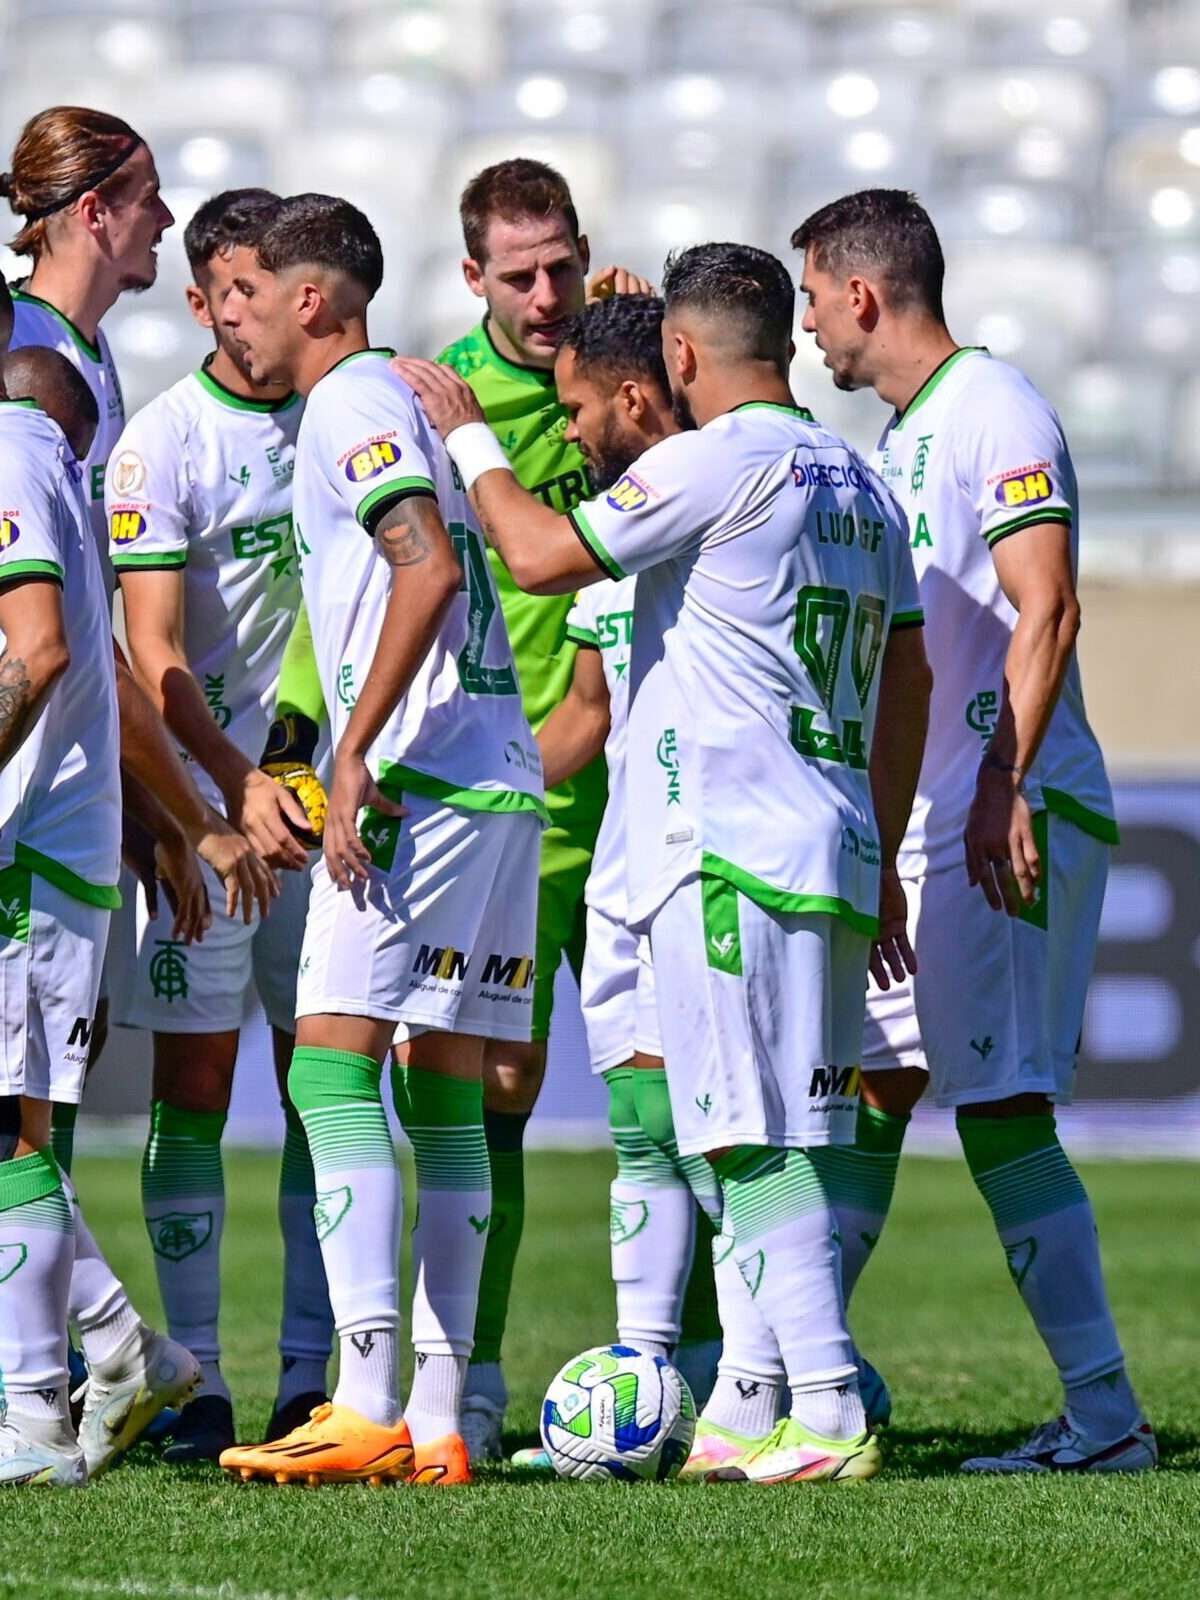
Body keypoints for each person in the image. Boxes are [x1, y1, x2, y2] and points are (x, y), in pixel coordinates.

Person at [395, 238, 931, 1485]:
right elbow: (910, 673)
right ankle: (749, 1408)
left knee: (748, 1142)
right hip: (830, 839)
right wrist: (885, 831)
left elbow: (535, 556)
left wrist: (472, 437)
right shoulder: (859, 475)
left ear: (679, 356)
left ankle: (832, 1408)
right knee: (773, 1130)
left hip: (733, 843)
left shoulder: (714, 461)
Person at [793, 188, 1155, 1473]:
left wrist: (1002, 777)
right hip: (935, 813)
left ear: (863, 294)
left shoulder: (995, 408)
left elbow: (1045, 608)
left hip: (1006, 812)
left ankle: (1107, 1420)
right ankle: (803, 1380)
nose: (808, 333)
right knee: (872, 1090)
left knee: (1001, 1110)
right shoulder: (906, 435)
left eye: (811, 301)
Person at [217, 193, 544, 1487]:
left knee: (332, 1075)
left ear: (309, 301)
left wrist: (348, 751)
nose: (226, 317)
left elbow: (427, 569)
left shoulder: (352, 402)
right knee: (448, 1096)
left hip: (417, 782)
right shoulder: (401, 403)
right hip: (498, 773)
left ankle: (361, 1397)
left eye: (242, 293)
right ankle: (446, 1418)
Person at [106, 187, 332, 1461]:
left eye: (270, 289)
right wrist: (219, 797)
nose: (252, 315)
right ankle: (200, 1379)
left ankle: (315, 1377)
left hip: (319, 813)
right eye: (232, 293)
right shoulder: (162, 444)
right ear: (198, 301)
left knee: (328, 1088)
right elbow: (153, 655)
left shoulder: (342, 412)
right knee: (195, 1090)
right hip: (216, 818)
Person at [437, 160, 653, 1456]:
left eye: (563, 264)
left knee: (667, 1104)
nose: (546, 292)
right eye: (517, 274)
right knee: (499, 1088)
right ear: (474, 280)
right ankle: (475, 1371)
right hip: (522, 798)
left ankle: (694, 1376)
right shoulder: (443, 396)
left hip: (642, 794)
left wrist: (646, 333)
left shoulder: (630, 371)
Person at [0, 287, 198, 1487]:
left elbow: (37, 648)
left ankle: (36, 1412)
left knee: (6, 1120)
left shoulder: (8, 450)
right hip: (44, 834)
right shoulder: (27, 446)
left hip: (28, 839)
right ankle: (118, 1350)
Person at [1, 105, 173, 564]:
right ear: (94, 212)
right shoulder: (15, 345)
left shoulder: (88, 338)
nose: (167, 217)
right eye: (150, 198)